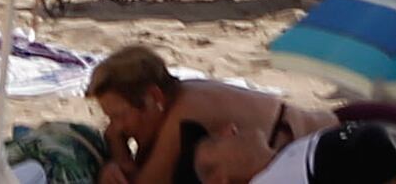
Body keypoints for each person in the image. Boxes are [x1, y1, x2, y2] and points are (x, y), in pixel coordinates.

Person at [88, 46, 333, 184]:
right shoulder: (169, 107)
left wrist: (116, 149)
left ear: (154, 98)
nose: (117, 127)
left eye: (120, 116)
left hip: (337, 142)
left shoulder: (186, 111)